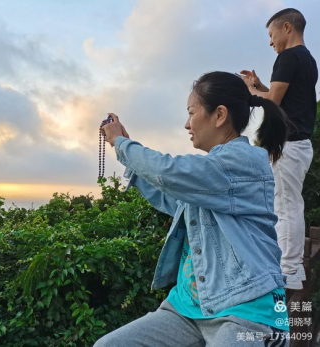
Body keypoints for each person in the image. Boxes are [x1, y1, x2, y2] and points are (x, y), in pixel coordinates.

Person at [95, 71, 290, 347]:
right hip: (188, 308)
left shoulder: (242, 161)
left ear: (219, 115)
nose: (187, 124)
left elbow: (168, 172)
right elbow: (171, 199)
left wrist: (123, 145)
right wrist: (132, 163)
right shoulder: (211, 175)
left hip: (245, 309)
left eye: (191, 112)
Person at [241, 8, 318, 290]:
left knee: (285, 207)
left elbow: (272, 101)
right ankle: (292, 268)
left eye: (272, 35)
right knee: (289, 204)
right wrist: (259, 85)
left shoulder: (287, 57)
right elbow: (282, 96)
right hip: (299, 144)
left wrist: (248, 92)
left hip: (290, 144)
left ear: (287, 27)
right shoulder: (307, 59)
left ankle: (288, 271)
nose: (271, 42)